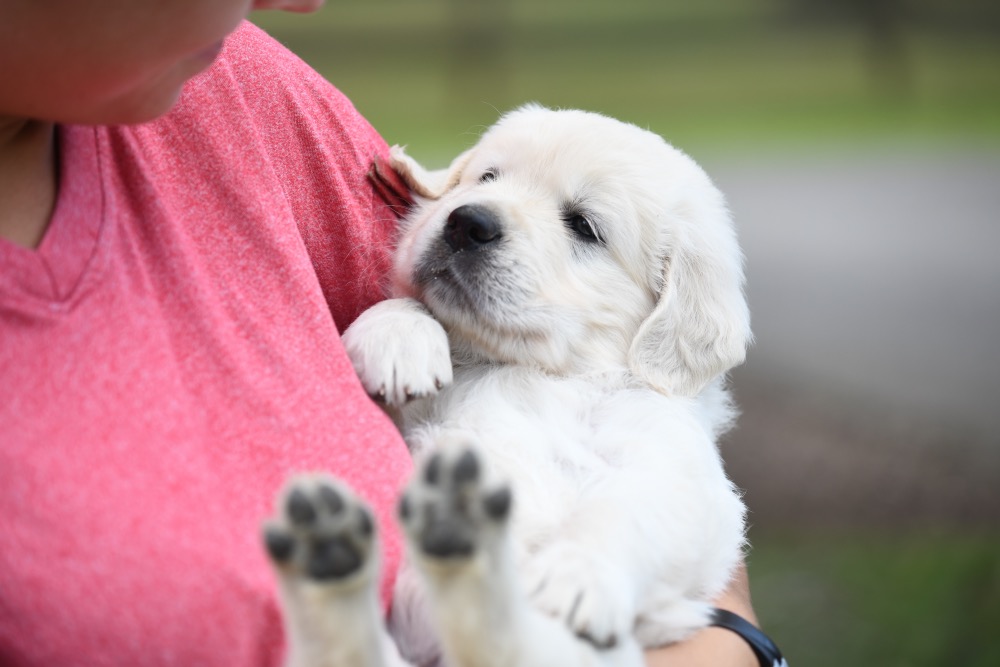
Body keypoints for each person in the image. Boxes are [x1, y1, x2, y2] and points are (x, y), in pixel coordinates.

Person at [0, 1, 772, 665]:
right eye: (488, 177)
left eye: (582, 225)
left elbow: (686, 513)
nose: (477, 216)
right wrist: (398, 318)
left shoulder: (241, 100)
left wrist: (701, 623)